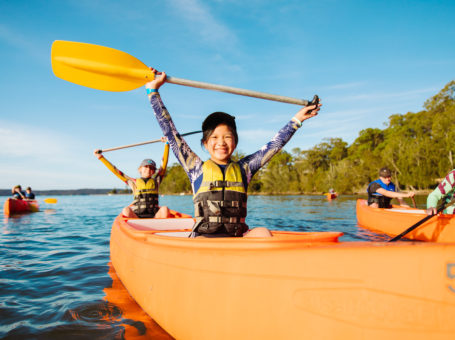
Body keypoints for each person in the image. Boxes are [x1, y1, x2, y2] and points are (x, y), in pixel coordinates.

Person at [146, 69, 320, 238]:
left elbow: (274, 146)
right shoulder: (194, 167)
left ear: (235, 142)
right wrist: (153, 92)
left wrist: (297, 119)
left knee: (263, 233)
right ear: (205, 144)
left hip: (237, 240)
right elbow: (171, 133)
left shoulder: (246, 169)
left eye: (227, 137)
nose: (221, 142)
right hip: (203, 241)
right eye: (214, 137)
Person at [94, 138, 170, 218]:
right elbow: (116, 171)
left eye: (151, 168)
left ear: (154, 171)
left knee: (165, 209)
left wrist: (166, 144)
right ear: (140, 169)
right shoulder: (133, 182)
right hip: (137, 217)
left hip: (154, 216)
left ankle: (160, 227)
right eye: (146, 167)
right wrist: (100, 157)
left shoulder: (156, 180)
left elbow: (164, 165)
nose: (148, 169)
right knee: (126, 210)